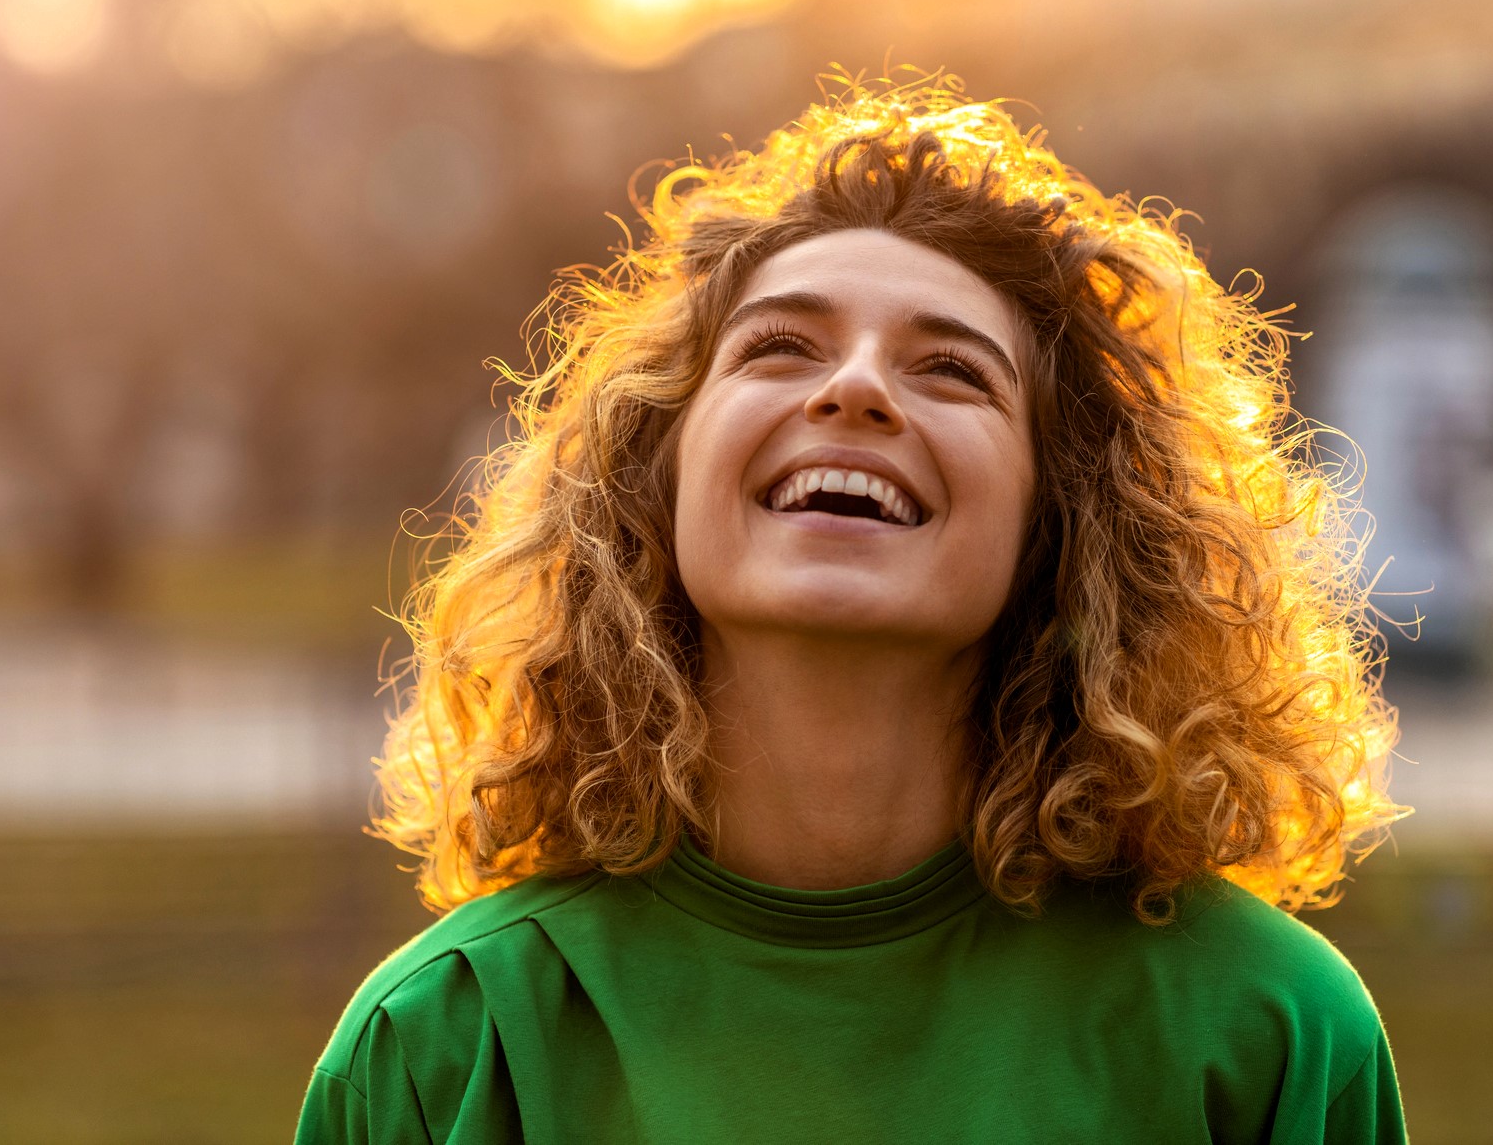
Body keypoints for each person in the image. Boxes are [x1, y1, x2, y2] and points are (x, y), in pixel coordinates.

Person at [296, 78, 1407, 1144]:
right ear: (654, 475)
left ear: (1062, 520)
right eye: (780, 347)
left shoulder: (1265, 1032)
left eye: (952, 371)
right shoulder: (445, 1044)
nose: (856, 388)